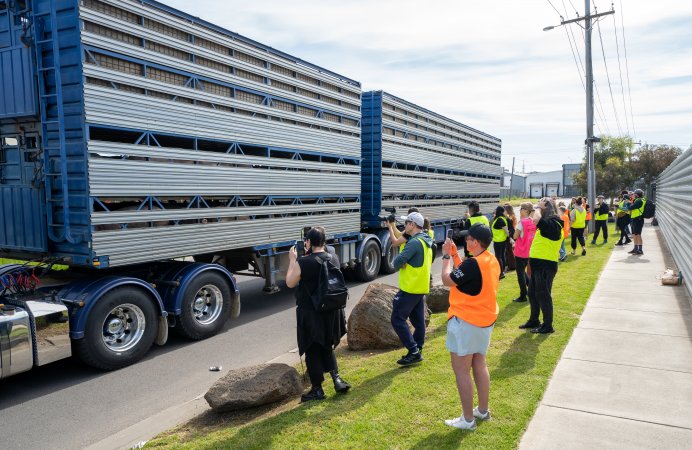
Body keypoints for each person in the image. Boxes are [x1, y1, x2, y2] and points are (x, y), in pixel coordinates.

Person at [440, 224, 499, 430]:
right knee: (479, 365)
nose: (465, 242)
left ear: (475, 242)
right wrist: (457, 257)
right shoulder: (490, 260)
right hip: (484, 321)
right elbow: (468, 277)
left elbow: (448, 280)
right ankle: (482, 411)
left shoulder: (473, 264)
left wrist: (447, 258)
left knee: (461, 371)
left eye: (468, 239)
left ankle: (467, 420)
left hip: (466, 320)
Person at [286, 227, 350, 402]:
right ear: (324, 241)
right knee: (326, 345)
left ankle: (317, 389)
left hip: (311, 313)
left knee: (312, 349)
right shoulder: (333, 257)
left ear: (308, 242)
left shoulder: (304, 262)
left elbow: (290, 282)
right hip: (331, 310)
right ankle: (337, 379)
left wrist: (292, 260)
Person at [391, 211, 434, 365]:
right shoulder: (426, 239)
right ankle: (418, 348)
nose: (405, 225)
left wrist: (401, 263)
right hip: (420, 287)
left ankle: (413, 351)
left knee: (397, 319)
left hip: (410, 287)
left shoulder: (414, 242)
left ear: (413, 225)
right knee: (418, 321)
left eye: (407, 222)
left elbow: (397, 261)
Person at [519, 198, 563, 334]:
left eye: (540, 208)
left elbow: (535, 219)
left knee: (543, 294)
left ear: (547, 208)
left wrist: (538, 207)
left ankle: (548, 325)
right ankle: (534, 320)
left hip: (546, 265)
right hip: (538, 264)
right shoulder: (547, 224)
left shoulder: (554, 223)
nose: (536, 210)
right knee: (532, 293)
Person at [512, 202, 536, 302]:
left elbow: (515, 236)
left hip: (520, 251)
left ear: (526, 210)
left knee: (520, 274)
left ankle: (523, 295)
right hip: (529, 251)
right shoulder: (533, 221)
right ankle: (531, 289)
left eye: (521, 208)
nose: (519, 210)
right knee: (524, 272)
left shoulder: (522, 222)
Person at [491, 206, 509, 279]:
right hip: (501, 240)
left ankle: (501, 273)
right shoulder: (500, 219)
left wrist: (509, 236)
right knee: (501, 256)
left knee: (498, 257)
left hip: (499, 241)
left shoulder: (500, 220)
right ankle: (502, 271)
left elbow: (506, 231)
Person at [628, 189, 646, 255]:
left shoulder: (639, 200)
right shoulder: (641, 200)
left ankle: (640, 250)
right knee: (634, 234)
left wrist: (629, 204)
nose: (633, 195)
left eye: (634, 194)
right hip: (635, 218)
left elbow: (631, 207)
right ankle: (635, 249)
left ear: (637, 194)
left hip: (638, 219)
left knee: (638, 234)